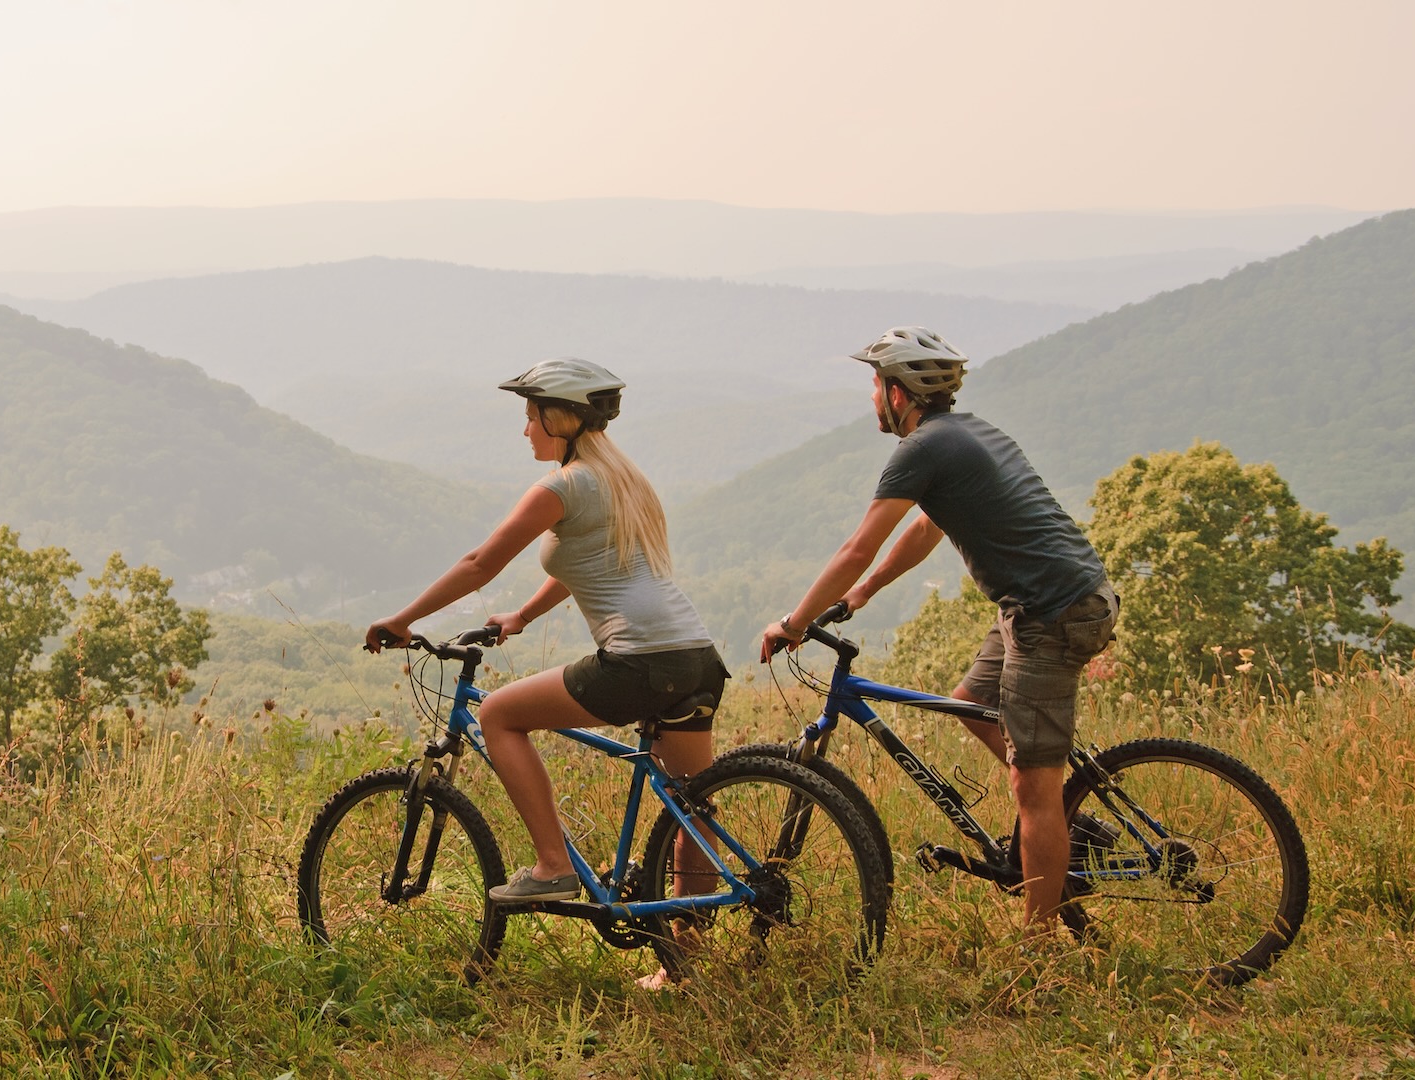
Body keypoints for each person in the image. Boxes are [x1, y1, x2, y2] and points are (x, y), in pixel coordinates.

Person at [759, 326, 1117, 933]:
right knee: (969, 704)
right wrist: (865, 593)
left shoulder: (923, 448)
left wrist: (795, 623)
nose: (873, 396)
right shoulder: (965, 433)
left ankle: (1036, 947)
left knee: (1033, 789)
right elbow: (926, 528)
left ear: (899, 393)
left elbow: (855, 547)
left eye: (876, 384)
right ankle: (1066, 822)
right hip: (1041, 603)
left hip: (1052, 614)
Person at [365, 357, 728, 924]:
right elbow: (589, 563)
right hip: (695, 657)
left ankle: (551, 865)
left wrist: (402, 620)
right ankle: (683, 953)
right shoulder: (624, 480)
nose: (525, 429)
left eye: (532, 416)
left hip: (636, 661)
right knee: (692, 807)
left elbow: (480, 563)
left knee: (501, 716)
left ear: (560, 419)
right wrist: (524, 615)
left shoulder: (562, 486)